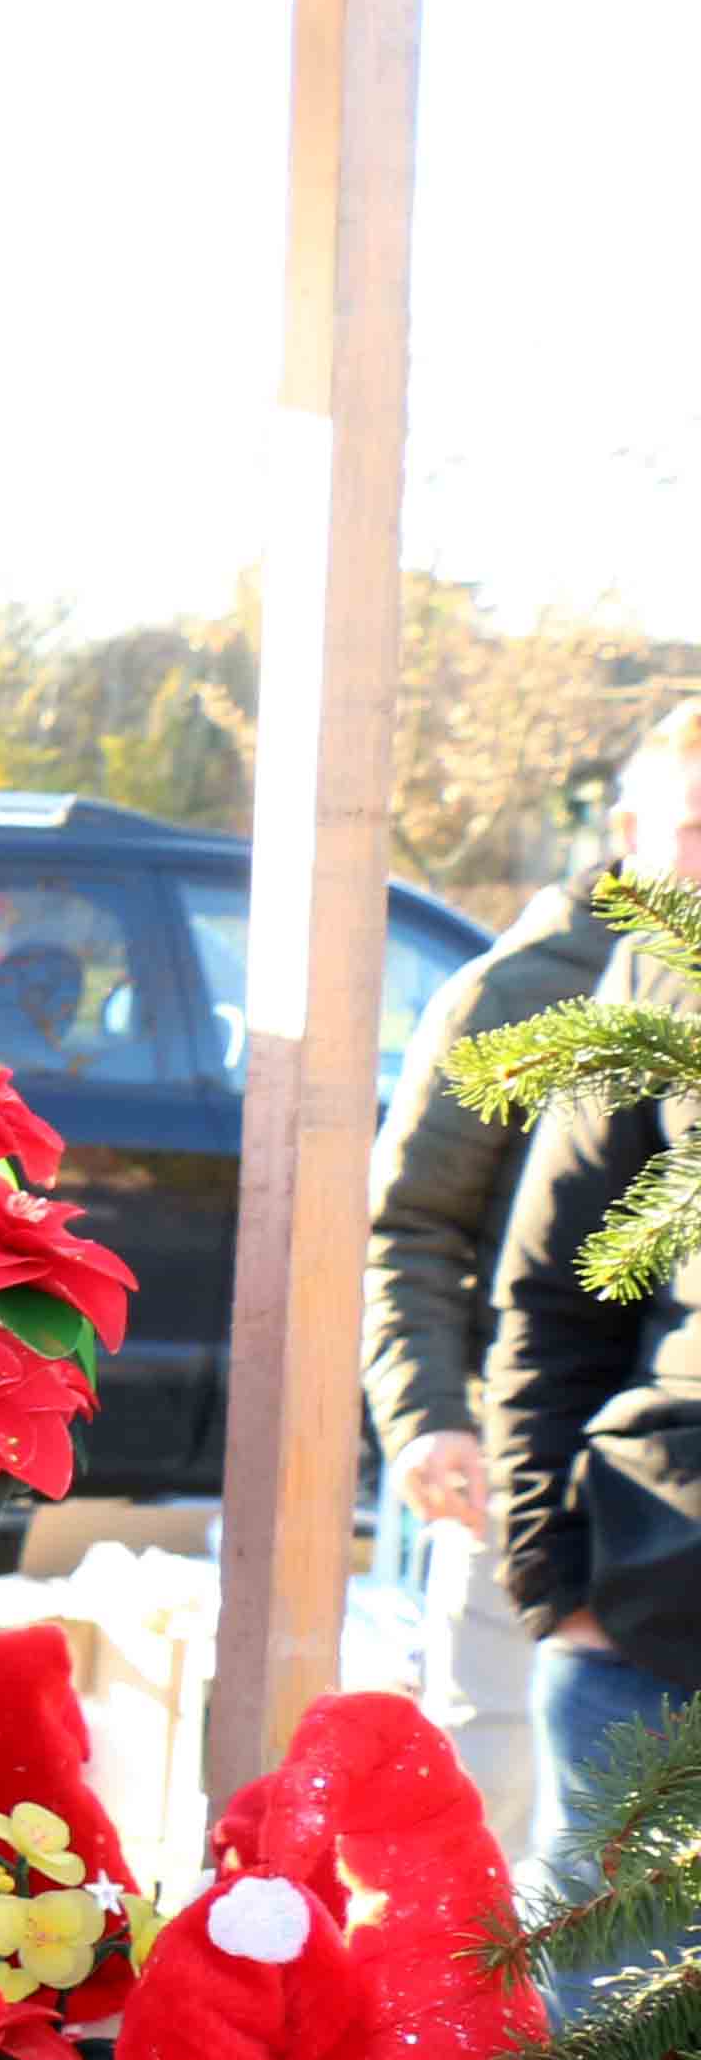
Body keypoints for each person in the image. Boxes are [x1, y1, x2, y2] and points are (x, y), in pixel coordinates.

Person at [378, 721, 690, 1835]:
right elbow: (416, 1225)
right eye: (691, 831)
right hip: (515, 1454)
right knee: (486, 1806)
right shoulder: (521, 990)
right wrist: (432, 1417)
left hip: (665, 1493)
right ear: (629, 832)